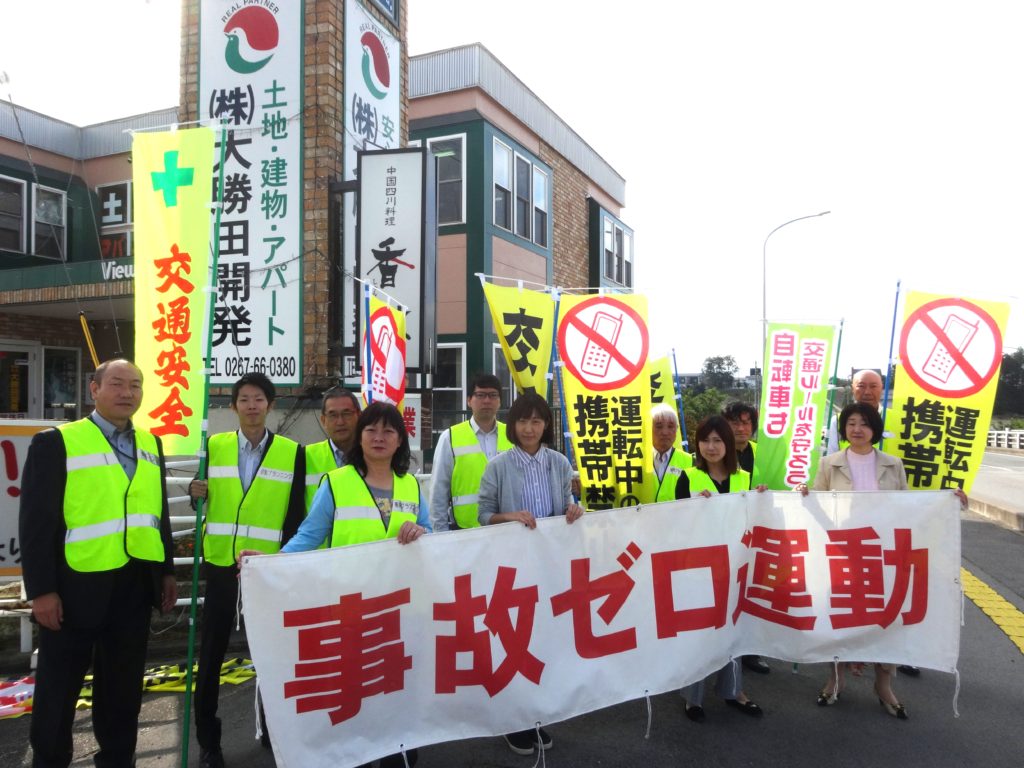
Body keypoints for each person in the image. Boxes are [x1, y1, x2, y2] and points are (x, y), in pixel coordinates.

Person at [19, 358, 177, 768]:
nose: (127, 393)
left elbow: (156, 511)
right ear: (94, 389)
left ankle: (118, 760)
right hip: (74, 586)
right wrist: (41, 591)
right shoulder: (57, 442)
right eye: (117, 384)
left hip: (134, 584)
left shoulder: (151, 444)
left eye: (135, 385)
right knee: (58, 689)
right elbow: (36, 523)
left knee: (123, 689)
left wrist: (166, 571)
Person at [265, 401, 429, 768]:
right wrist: (266, 565)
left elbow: (431, 535)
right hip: (351, 609)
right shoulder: (336, 483)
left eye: (388, 431)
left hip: (399, 611)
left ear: (400, 441)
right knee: (356, 689)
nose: (379, 437)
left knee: (396, 687)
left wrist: (420, 530)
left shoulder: (411, 486)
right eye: (371, 430)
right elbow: (308, 536)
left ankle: (399, 751)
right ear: (360, 436)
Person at [188, 372, 306, 768]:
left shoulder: (292, 452)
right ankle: (209, 743)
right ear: (233, 405)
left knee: (273, 656)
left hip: (266, 569)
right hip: (222, 565)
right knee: (210, 657)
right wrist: (195, 492)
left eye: (258, 399)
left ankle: (274, 729)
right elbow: (201, 498)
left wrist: (285, 559)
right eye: (244, 399)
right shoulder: (213, 446)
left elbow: (295, 513)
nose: (251, 406)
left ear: (270, 405)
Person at [478, 393, 583, 755]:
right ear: (513, 424)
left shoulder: (559, 463)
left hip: (549, 567)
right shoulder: (498, 466)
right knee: (514, 643)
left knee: (543, 643)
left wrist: (574, 510)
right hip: (512, 568)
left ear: (546, 425)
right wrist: (509, 517)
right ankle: (513, 721)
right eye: (523, 420)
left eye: (537, 421)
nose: (529, 428)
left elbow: (566, 505)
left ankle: (537, 715)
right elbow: (483, 514)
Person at [800, 402, 910, 718]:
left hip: (882, 554)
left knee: (886, 617)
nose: (857, 429)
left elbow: (909, 507)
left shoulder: (893, 464)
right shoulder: (829, 463)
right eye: (851, 423)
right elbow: (817, 505)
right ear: (843, 429)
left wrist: (948, 500)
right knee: (839, 615)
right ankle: (835, 678)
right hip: (842, 553)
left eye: (864, 423)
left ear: (875, 428)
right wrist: (804, 494)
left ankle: (883, 684)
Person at [675, 415, 766, 722]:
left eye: (717, 440)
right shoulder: (688, 477)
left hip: (736, 567)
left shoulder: (745, 478)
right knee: (699, 632)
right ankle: (693, 698)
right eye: (705, 440)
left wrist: (764, 499)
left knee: (734, 631)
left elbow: (757, 518)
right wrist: (693, 509)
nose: (711, 447)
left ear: (727, 444)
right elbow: (675, 526)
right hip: (698, 570)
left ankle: (734, 691)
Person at [722, 401, 770, 675]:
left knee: (754, 593)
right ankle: (724, 651)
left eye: (746, 422)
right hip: (726, 534)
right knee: (727, 594)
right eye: (734, 422)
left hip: (759, 534)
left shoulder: (763, 454)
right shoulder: (716, 451)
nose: (741, 428)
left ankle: (751, 651)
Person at [429, 373, 512, 531]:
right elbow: (438, 490)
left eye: (493, 395)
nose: (486, 400)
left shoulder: (512, 435)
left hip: (507, 529)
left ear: (500, 401)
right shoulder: (450, 437)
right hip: (465, 531)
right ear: (469, 400)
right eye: (480, 395)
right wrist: (440, 534)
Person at [303, 387, 362, 511]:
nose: (340, 422)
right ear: (323, 420)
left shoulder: (372, 457)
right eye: (333, 415)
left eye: (346, 414)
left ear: (359, 415)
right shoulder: (305, 456)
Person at [650, 403, 693, 501]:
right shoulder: (637, 460)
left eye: (670, 426)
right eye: (659, 426)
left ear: (677, 429)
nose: (665, 432)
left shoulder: (691, 461)